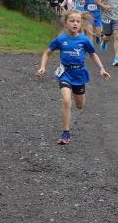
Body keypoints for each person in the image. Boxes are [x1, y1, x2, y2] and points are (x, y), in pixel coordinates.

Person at [37, 10, 110, 145]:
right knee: (66, 100)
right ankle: (66, 133)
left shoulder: (84, 40)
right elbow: (47, 53)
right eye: (72, 21)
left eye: (78, 21)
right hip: (65, 73)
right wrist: (42, 67)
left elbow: (93, 54)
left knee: (79, 105)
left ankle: (79, 99)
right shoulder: (60, 39)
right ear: (66, 24)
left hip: (79, 74)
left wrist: (101, 68)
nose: (75, 23)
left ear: (81, 24)